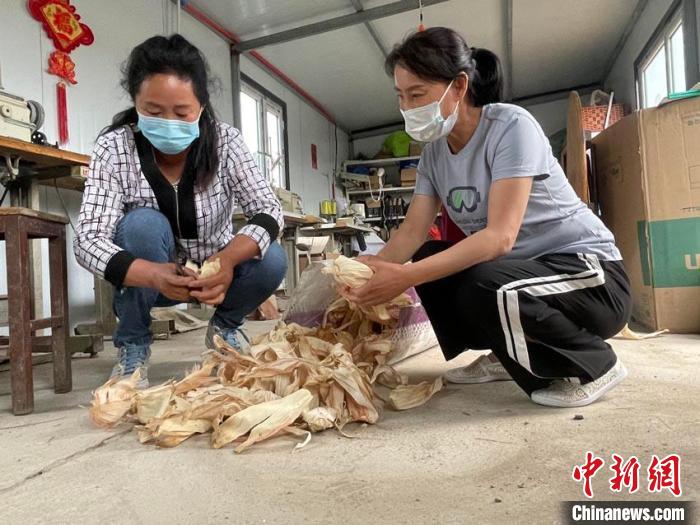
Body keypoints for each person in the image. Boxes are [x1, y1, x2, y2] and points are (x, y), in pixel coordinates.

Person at [348, 28, 632, 408]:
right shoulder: (433, 155)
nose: (408, 108)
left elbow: (500, 238)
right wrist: (367, 274)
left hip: (590, 277)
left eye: (417, 95)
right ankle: (504, 351)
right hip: (523, 277)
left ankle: (596, 364)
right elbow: (413, 231)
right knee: (431, 256)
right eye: (401, 96)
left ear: (459, 86)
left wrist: (405, 277)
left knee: (481, 282)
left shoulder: (510, 127)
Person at [74, 35, 287, 388]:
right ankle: (133, 345)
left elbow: (267, 209)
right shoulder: (114, 148)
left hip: (217, 275)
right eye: (154, 112)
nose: (168, 122)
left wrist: (227, 261)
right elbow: (88, 240)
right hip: (152, 278)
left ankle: (224, 327)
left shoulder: (226, 142)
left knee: (273, 259)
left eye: (182, 112)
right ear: (135, 102)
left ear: (201, 105)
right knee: (140, 226)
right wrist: (153, 274)